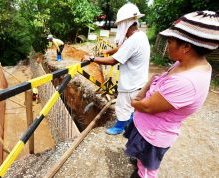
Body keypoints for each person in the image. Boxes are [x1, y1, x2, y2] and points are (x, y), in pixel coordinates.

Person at [124, 10, 218, 178]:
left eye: (170, 40)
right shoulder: (185, 64)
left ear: (186, 47)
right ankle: (139, 163)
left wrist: (135, 100)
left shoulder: (186, 82)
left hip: (152, 135)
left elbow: (146, 106)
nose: (167, 44)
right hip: (147, 128)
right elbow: (159, 82)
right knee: (140, 159)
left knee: (146, 171)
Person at [83, 3, 150, 135]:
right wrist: (107, 50)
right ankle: (130, 126)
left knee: (123, 106)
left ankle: (120, 128)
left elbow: (114, 60)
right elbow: (121, 48)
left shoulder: (133, 40)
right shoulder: (140, 36)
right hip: (139, 80)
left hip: (131, 83)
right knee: (132, 107)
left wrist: (92, 58)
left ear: (125, 23)